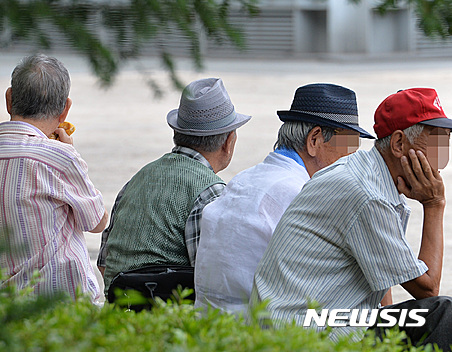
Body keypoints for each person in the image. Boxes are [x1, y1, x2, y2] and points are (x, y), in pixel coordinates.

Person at [251, 88, 452, 350]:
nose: (443, 159)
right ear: (399, 144)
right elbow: (427, 289)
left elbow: (385, 272)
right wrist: (434, 204)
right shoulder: (367, 194)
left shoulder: (366, 174)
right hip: (306, 328)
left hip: (317, 316)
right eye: (437, 142)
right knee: (442, 315)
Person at [194, 83, 375, 314]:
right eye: (348, 149)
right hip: (261, 332)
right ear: (315, 140)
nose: (350, 161)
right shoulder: (305, 193)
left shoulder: (243, 179)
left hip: (209, 325)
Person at [0, 54, 108, 303]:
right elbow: (97, 221)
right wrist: (70, 152)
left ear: (9, 100)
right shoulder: (60, 157)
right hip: (63, 309)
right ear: (65, 110)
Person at [99, 77, 251, 299]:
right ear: (229, 142)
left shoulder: (138, 178)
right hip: (167, 318)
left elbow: (104, 263)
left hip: (119, 315)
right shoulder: (210, 191)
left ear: (177, 133)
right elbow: (213, 280)